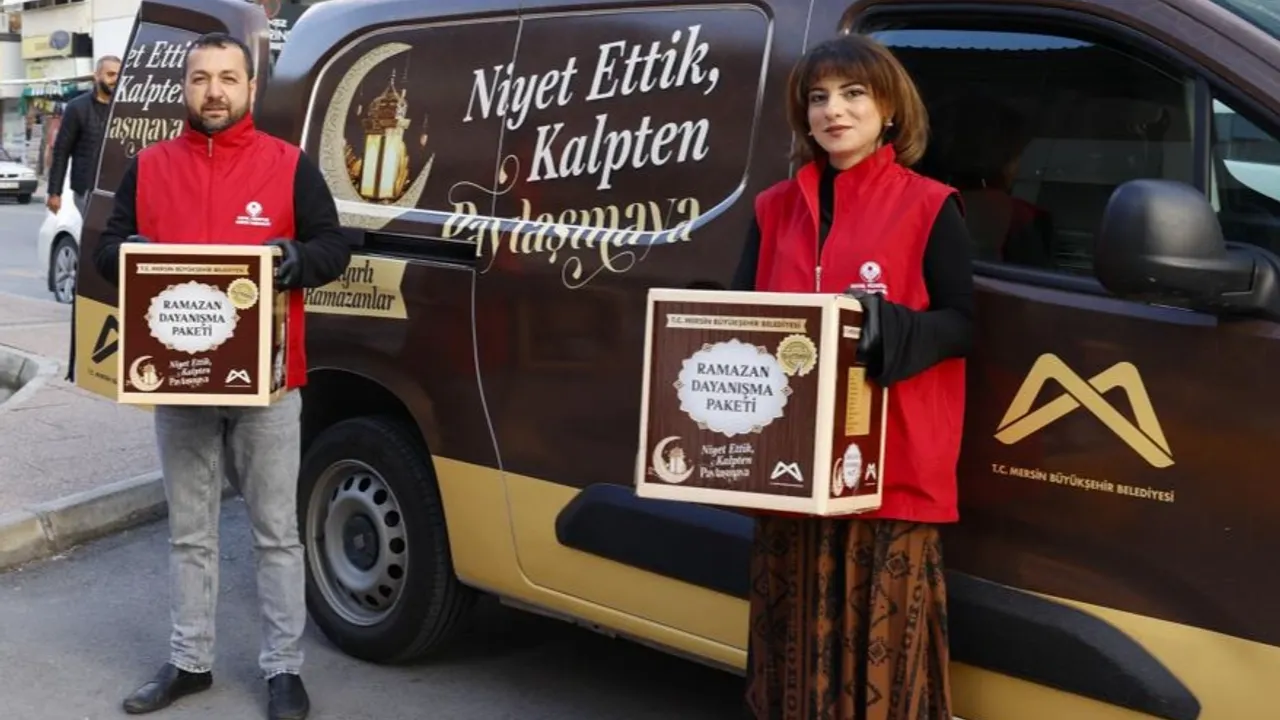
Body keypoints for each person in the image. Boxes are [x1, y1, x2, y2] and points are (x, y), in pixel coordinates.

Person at [92, 32, 351, 720]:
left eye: (228, 78)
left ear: (250, 88)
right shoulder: (149, 167)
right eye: (201, 78)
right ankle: (190, 662)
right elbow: (107, 253)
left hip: (269, 383)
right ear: (185, 87)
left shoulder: (289, 166)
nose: (214, 91)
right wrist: (130, 256)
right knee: (190, 532)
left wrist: (296, 258)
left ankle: (284, 670)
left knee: (276, 533)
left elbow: (334, 246)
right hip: (180, 382)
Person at [732, 34, 974, 719]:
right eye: (819, 98)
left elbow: (961, 323)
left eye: (853, 93)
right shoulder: (773, 207)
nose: (833, 110)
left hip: (890, 464)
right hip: (789, 467)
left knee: (884, 653)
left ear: (890, 109)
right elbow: (738, 320)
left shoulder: (930, 204)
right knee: (791, 644)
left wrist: (887, 324)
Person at [47, 54, 120, 215]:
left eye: (119, 75)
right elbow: (61, 151)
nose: (115, 79)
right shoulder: (77, 107)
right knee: (95, 229)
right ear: (96, 76)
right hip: (87, 188)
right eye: (110, 74)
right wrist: (54, 192)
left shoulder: (125, 107)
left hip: (118, 187)